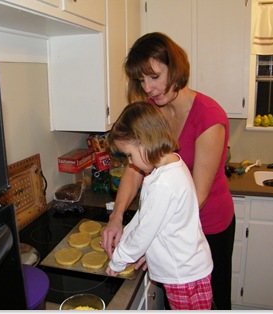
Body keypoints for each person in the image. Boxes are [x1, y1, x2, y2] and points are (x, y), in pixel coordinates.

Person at [101, 32, 235, 310]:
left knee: (215, 302)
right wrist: (117, 217)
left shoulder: (209, 118)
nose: (148, 88)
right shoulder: (152, 113)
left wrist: (159, 242)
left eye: (154, 76)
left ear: (174, 68)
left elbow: (194, 197)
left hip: (204, 229)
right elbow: (135, 169)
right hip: (168, 223)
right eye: (141, 80)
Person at [105, 101, 213, 310]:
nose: (131, 163)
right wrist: (125, 237)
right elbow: (145, 216)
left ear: (144, 141)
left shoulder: (165, 183)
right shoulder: (168, 168)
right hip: (184, 270)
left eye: (129, 154)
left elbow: (145, 232)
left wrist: (118, 261)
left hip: (184, 275)